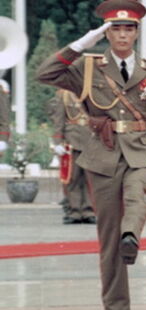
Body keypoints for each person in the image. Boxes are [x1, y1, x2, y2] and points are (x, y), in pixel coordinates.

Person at [36, 0, 146, 310]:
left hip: (141, 150)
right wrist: (81, 45)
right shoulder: (88, 68)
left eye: (129, 29)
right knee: (108, 237)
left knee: (136, 196)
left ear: (137, 33)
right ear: (106, 34)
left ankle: (132, 235)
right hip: (104, 154)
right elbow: (45, 73)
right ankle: (115, 308)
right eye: (116, 29)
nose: (123, 35)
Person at [49, 88, 96, 224]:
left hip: (91, 139)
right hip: (71, 141)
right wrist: (57, 141)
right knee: (72, 177)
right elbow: (58, 119)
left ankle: (89, 211)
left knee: (90, 178)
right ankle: (74, 211)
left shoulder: (92, 91)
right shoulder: (64, 95)